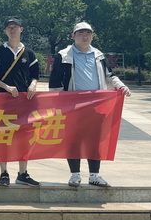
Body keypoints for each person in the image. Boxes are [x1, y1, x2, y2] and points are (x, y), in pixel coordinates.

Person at [49, 22, 131, 187]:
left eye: (87, 33)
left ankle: (94, 175)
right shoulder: (64, 56)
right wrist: (60, 104)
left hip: (96, 105)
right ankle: (75, 175)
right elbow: (55, 83)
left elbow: (110, 76)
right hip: (73, 106)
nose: (84, 36)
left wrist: (121, 86)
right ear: (73, 36)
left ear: (92, 36)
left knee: (94, 140)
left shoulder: (99, 55)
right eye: (80, 33)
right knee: (74, 140)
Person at [0, 17, 40, 187]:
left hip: (25, 101)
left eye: (15, 27)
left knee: (24, 137)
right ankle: (4, 173)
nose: (12, 30)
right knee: (4, 136)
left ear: (21, 29)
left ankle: (23, 173)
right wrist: (6, 87)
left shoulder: (29, 53)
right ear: (5, 31)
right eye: (9, 28)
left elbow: (35, 75)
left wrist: (33, 84)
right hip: (4, 100)